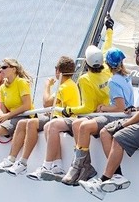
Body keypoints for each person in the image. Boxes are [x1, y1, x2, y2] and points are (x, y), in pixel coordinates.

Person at [78, 36, 139, 200]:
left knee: (118, 136)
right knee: (106, 131)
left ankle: (103, 180)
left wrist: (126, 123)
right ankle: (117, 175)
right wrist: (135, 110)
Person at [24, 45, 111, 181]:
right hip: (101, 113)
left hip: (87, 116)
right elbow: (107, 47)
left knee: (52, 125)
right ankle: (57, 165)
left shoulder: (81, 80)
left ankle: (48, 165)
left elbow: (49, 103)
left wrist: (67, 108)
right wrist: (110, 32)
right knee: (50, 125)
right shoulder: (106, 70)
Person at [56, 46, 134, 184]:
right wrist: (109, 31)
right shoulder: (120, 76)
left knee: (83, 127)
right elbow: (107, 45)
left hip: (114, 115)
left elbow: (116, 107)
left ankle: (81, 166)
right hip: (113, 113)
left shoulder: (111, 80)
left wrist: (69, 111)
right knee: (76, 124)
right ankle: (83, 166)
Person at [0, 56, 80, 175]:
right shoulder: (67, 85)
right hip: (57, 117)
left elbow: (46, 103)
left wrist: (47, 86)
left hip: (61, 119)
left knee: (31, 123)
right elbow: (54, 103)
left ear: (58, 70)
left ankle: (24, 163)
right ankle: (13, 160)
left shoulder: (65, 86)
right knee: (23, 123)